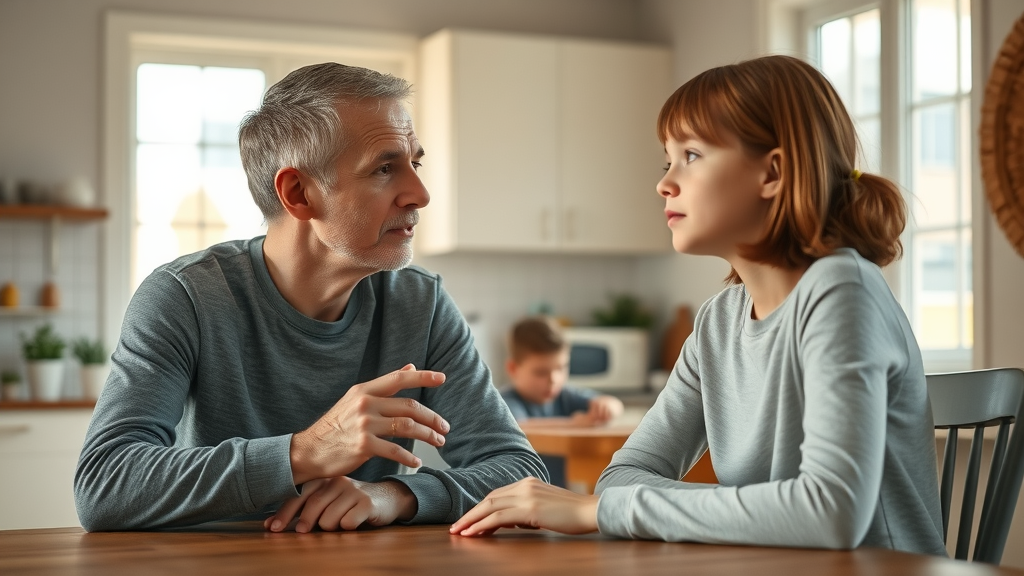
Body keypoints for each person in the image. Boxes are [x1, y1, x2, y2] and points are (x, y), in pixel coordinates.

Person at [450, 54, 947, 556]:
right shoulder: (718, 323)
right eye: (667, 160)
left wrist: (592, 511)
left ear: (773, 172)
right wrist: (740, 510)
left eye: (691, 154)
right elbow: (622, 477)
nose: (664, 183)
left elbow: (830, 513)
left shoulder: (842, 291)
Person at [74, 63, 546, 532]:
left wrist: (396, 495)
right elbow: (105, 484)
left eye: (414, 164)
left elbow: (520, 471)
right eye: (384, 168)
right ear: (298, 193)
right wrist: (305, 452)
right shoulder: (185, 296)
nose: (419, 194)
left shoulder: (420, 303)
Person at [500, 316, 625, 486]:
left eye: (561, 368)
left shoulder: (564, 395)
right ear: (513, 369)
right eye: (541, 372)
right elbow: (521, 426)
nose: (554, 380)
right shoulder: (505, 401)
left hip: (557, 492)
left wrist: (607, 406)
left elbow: (614, 404)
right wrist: (573, 424)